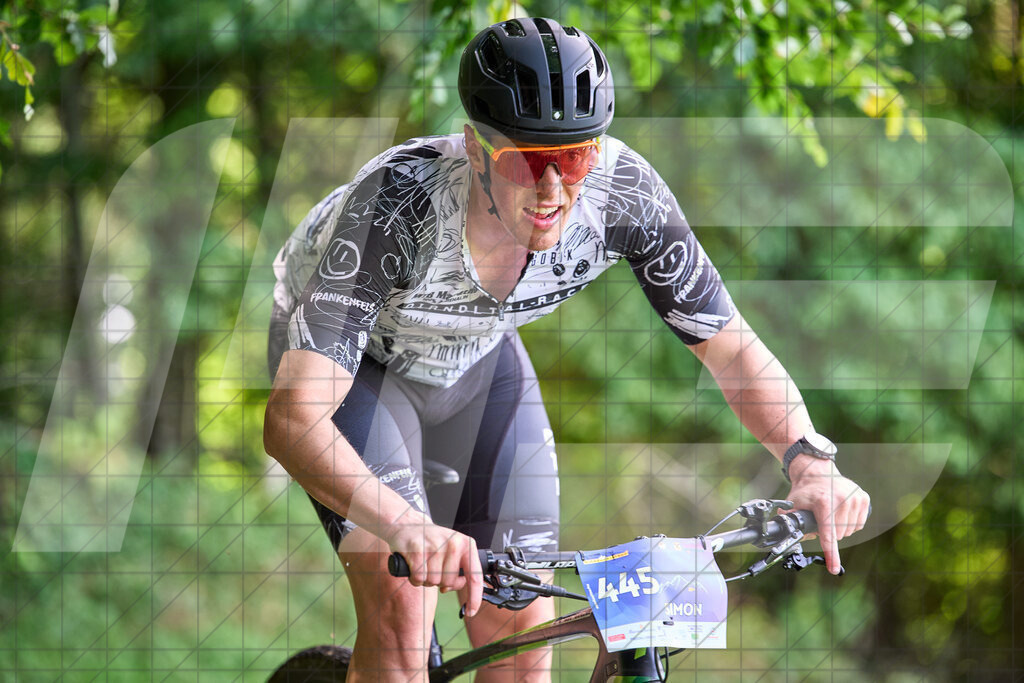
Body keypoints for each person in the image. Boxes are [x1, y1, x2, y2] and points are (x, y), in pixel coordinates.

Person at [263, 16, 871, 681]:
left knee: (525, 630)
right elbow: (292, 420)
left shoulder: (625, 196)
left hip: (477, 360)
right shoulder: (396, 208)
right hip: (359, 369)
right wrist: (407, 525)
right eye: (527, 161)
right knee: (403, 612)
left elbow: (729, 347)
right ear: (474, 149)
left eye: (575, 158)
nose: (553, 190)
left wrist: (809, 458)